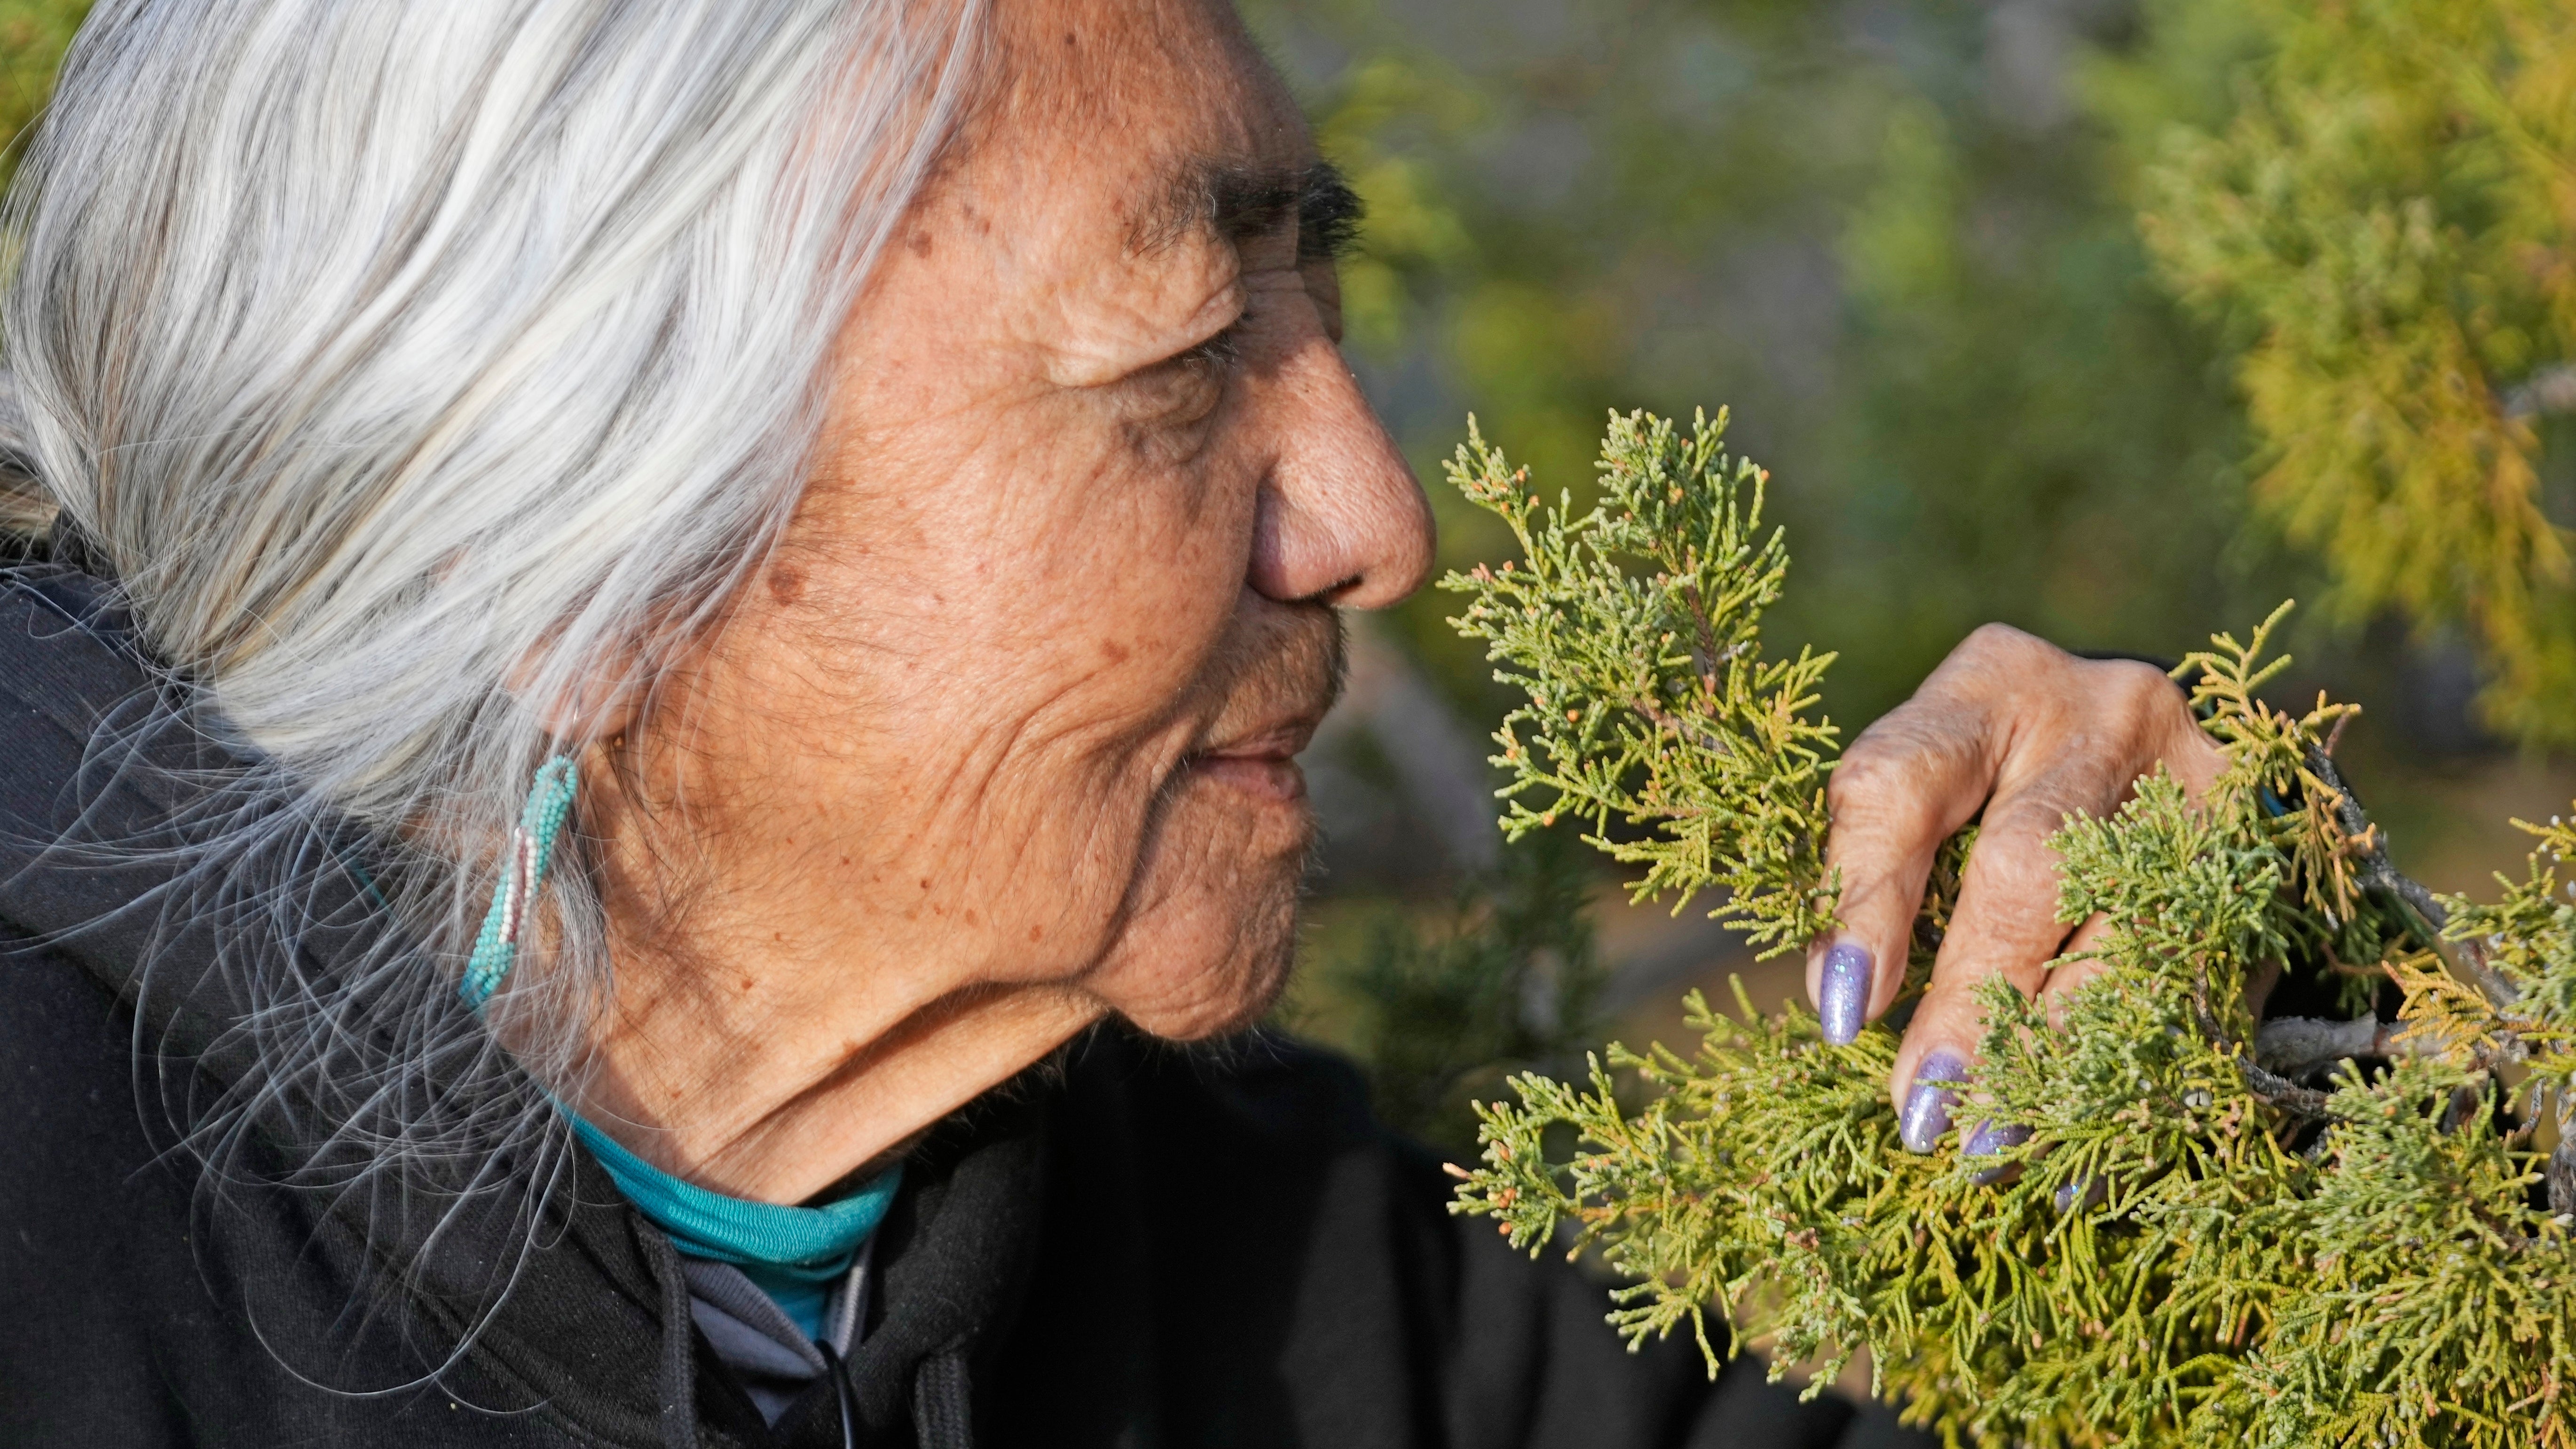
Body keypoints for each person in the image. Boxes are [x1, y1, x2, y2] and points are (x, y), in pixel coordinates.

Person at [0, 2, 2205, 1447]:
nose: (1369, 521)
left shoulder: (1300, 1298)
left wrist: (2237, 1019)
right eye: (1171, 360)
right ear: (541, 547)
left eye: (1317, 315)